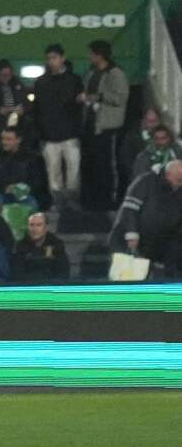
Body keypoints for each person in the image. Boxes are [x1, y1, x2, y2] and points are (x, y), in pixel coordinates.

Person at [33, 44, 85, 208]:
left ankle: (72, 202)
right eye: (49, 58)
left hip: (70, 134)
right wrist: (41, 134)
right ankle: (58, 202)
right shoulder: (41, 83)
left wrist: (78, 132)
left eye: (54, 57)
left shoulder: (74, 80)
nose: (51, 61)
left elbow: (80, 109)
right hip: (50, 136)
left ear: (63, 58)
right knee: (54, 174)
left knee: (73, 173)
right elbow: (38, 110)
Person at [81, 40, 129, 211]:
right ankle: (93, 199)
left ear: (99, 55)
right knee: (93, 164)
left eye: (91, 54)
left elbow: (120, 98)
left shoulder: (115, 74)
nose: (89, 57)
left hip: (108, 127)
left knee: (108, 164)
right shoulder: (91, 73)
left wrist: (99, 97)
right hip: (91, 125)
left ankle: (110, 199)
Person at [112, 161, 182, 277]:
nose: (180, 184)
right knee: (129, 277)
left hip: (161, 241)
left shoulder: (178, 189)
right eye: (179, 179)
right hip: (134, 240)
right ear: (168, 174)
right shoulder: (145, 181)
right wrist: (132, 235)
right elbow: (130, 209)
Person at [11, 213, 71, 282]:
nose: (34, 229)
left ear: (46, 227)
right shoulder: (20, 246)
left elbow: (63, 272)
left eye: (39, 225)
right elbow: (17, 273)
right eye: (31, 225)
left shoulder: (57, 245)